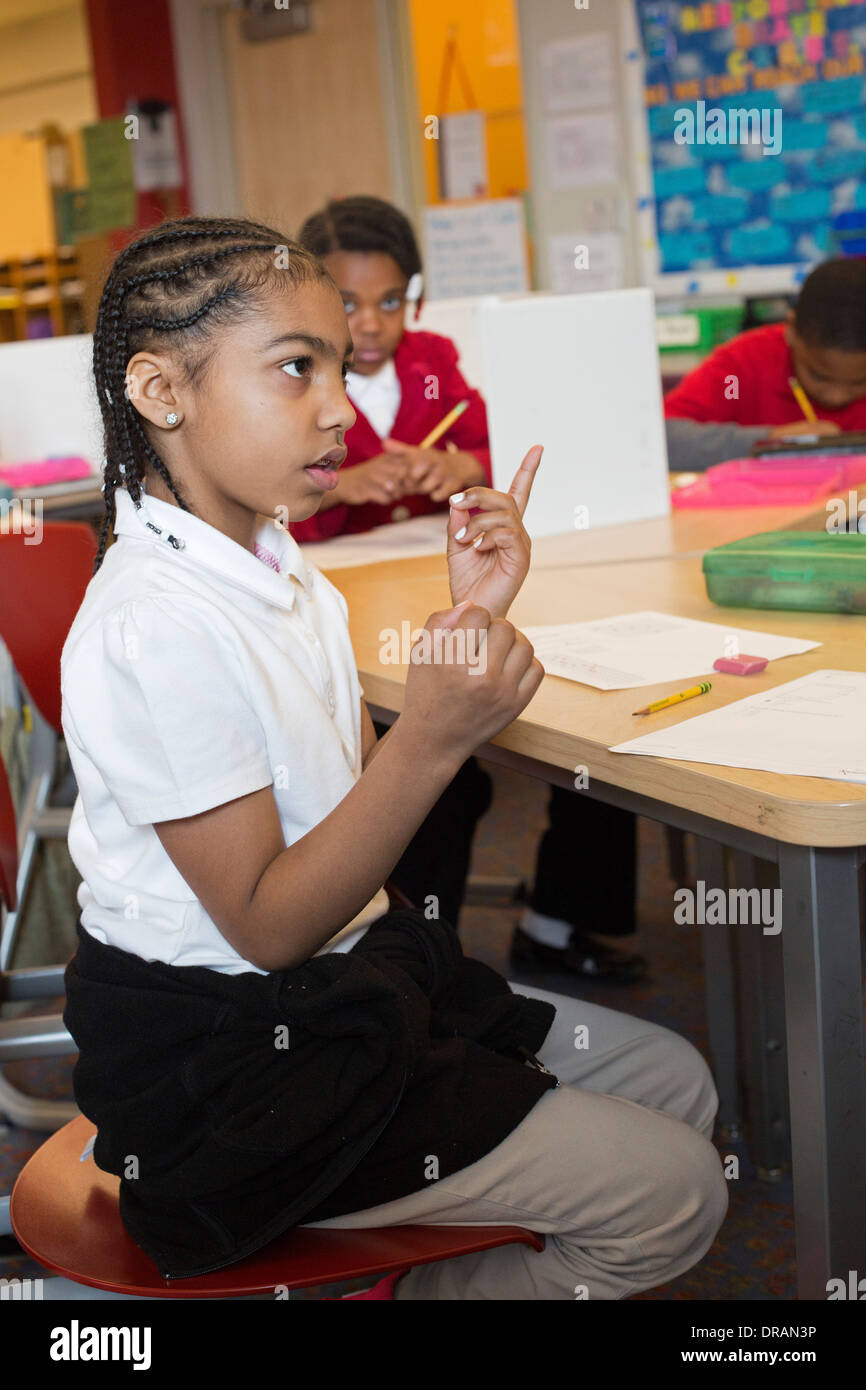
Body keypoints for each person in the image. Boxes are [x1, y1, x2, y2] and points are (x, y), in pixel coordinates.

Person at [59, 216, 726, 1299]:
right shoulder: (153, 624)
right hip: (233, 1063)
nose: (337, 407)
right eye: (295, 369)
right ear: (160, 392)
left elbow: (346, 805)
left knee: (674, 1080)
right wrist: (432, 736)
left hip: (343, 981)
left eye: (338, 365)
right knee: (678, 1190)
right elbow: (269, 924)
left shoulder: (278, 567)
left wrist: (466, 621)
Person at [295, 196, 646, 981]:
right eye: (349, 304)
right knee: (436, 773)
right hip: (346, 608)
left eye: (392, 301)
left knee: (593, 712)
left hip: (440, 586)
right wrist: (345, 485)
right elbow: (266, 505)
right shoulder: (299, 378)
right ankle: (417, 963)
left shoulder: (433, 362)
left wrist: (465, 469)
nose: (375, 324)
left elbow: (495, 439)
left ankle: (558, 923)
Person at [665, 257, 866, 470]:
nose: (837, 396)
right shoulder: (737, 374)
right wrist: (768, 440)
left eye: (859, 383)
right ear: (791, 330)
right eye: (819, 376)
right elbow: (662, 439)